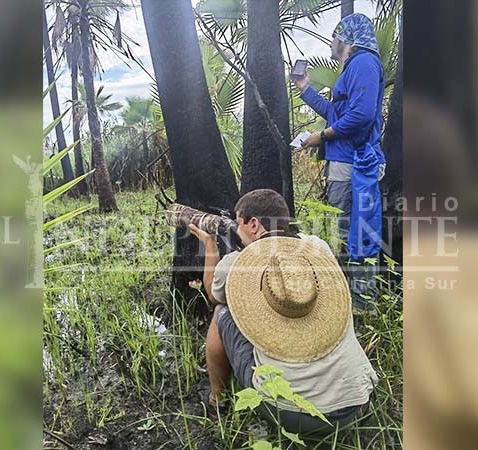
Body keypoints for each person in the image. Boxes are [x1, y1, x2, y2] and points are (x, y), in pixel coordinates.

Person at [188, 189, 378, 436]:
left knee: (221, 312)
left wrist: (211, 246)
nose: (237, 228)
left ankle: (217, 402)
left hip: (293, 414)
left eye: (239, 222)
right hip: (356, 401)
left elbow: (213, 295)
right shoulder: (317, 247)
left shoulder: (235, 262)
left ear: (254, 224)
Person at [290, 13, 386, 307]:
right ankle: (351, 298)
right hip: (347, 160)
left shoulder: (364, 63)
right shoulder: (353, 68)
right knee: (346, 228)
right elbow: (338, 113)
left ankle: (362, 303)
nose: (330, 43)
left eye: (333, 37)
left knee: (353, 232)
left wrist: (321, 137)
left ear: (345, 39)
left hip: (356, 162)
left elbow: (361, 116)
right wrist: (305, 88)